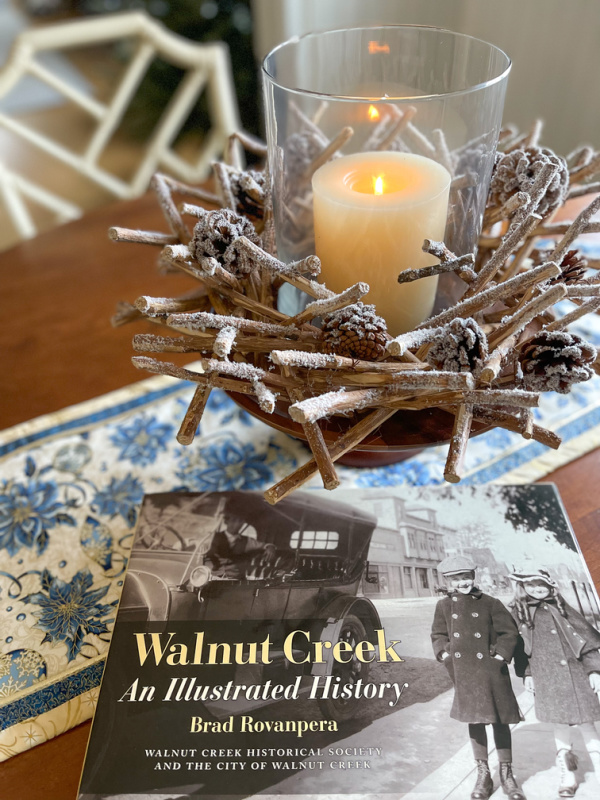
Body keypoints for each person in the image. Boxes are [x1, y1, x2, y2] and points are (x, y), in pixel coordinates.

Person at [431, 555, 526, 800]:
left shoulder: (491, 603)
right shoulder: (443, 606)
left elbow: (509, 632)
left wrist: (500, 657)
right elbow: (438, 633)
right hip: (464, 671)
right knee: (475, 720)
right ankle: (483, 773)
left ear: (473, 577)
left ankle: (507, 773)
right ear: (448, 581)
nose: (462, 582)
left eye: (466, 577)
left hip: (491, 671)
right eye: (456, 578)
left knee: (500, 719)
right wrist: (444, 653)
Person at [508, 567, 600, 796]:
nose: (537, 589)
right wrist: (527, 674)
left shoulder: (562, 608)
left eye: (541, 584)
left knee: (588, 724)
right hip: (547, 678)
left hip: (577, 675)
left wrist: (594, 671)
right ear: (523, 587)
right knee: (560, 726)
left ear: (550, 586)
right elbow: (521, 650)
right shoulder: (521, 613)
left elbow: (586, 642)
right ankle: (568, 775)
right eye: (531, 585)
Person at [205, 508, 276, 578]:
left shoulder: (247, 541)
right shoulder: (213, 538)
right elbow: (204, 554)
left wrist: (270, 547)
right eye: (233, 520)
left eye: (240, 521)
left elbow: (266, 545)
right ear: (226, 521)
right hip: (214, 576)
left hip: (236, 579)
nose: (237, 524)